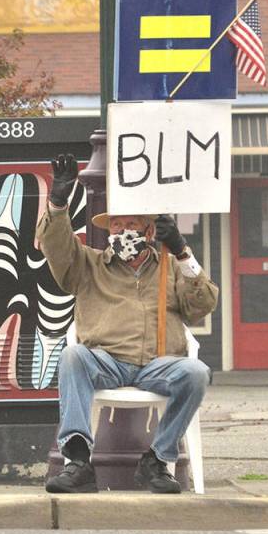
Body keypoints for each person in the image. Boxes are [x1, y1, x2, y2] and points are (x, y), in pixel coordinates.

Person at [36, 153, 219, 494]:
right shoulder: (89, 265)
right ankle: (77, 460)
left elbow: (203, 305)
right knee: (73, 356)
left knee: (195, 373)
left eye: (131, 224)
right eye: (116, 226)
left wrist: (181, 251)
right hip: (106, 361)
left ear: (149, 231)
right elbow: (55, 247)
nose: (121, 232)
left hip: (158, 364)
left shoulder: (168, 267)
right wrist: (58, 203)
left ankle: (157, 459)